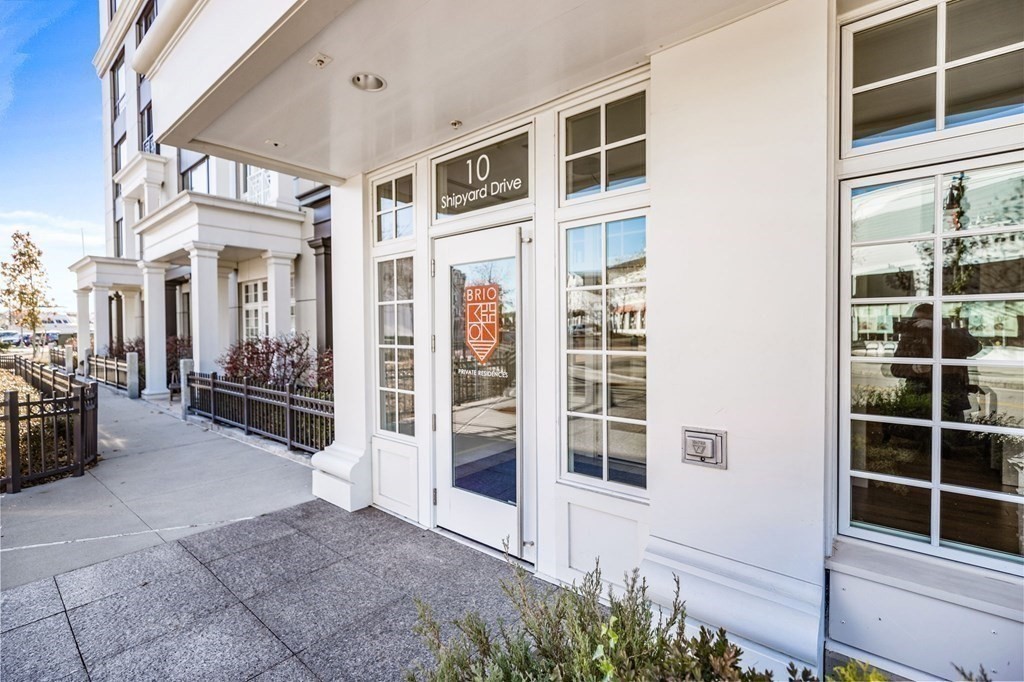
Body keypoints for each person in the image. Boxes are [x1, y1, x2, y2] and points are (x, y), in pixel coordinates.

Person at [891, 303, 981, 422]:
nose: (919, 325)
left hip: (950, 398)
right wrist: (913, 368)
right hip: (917, 397)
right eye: (915, 321)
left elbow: (974, 347)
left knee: (952, 435)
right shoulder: (910, 337)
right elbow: (895, 368)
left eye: (923, 322)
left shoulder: (953, 335)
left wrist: (940, 329)